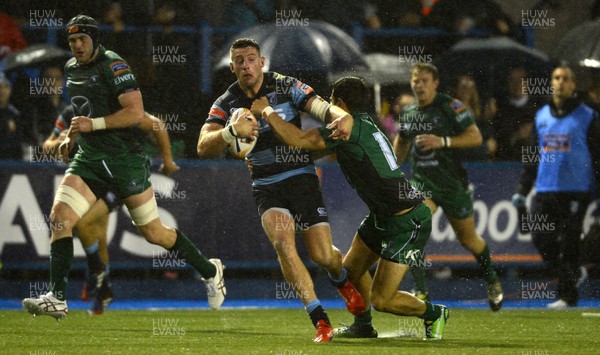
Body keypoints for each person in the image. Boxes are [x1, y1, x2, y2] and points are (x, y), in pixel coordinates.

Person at [22, 14, 225, 320]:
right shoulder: (71, 69)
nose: (77, 45)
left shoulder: (113, 65)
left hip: (125, 161)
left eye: (82, 39)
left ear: (94, 39)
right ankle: (58, 298)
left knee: (154, 233)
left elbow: (136, 113)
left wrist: (97, 125)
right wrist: (70, 137)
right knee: (60, 217)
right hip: (89, 159)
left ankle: (210, 270)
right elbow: (82, 113)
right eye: (72, 41)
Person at [255, 76, 450, 340]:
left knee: (383, 299)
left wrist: (266, 110)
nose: (328, 109)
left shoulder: (347, 129)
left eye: (331, 102)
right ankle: (364, 325)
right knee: (350, 272)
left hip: (407, 221)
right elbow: (307, 150)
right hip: (383, 216)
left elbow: (299, 140)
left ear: (341, 104)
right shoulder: (364, 123)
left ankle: (434, 313)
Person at [197, 38, 360, 342]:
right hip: (266, 184)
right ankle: (320, 320)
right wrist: (230, 131)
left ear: (262, 62)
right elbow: (202, 145)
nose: (245, 65)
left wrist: (343, 117)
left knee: (324, 256)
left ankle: (341, 280)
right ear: (232, 67)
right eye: (239, 61)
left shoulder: (286, 85)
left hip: (300, 177)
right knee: (283, 243)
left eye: (250, 59)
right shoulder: (226, 102)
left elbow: (323, 109)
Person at [42, 106, 180, 315]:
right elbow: (47, 145)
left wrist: (167, 160)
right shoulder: (71, 113)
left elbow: (156, 124)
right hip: (90, 178)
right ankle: (104, 290)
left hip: (118, 178)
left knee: (83, 223)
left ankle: (96, 268)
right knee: (98, 236)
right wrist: (60, 141)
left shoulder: (115, 106)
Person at [393, 62, 503, 311]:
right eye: (415, 81)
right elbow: (400, 146)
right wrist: (391, 160)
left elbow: (475, 137)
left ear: (435, 83)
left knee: (469, 240)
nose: (419, 85)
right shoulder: (409, 113)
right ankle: (420, 290)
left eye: (424, 80)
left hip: (452, 185)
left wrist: (442, 141)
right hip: (422, 184)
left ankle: (492, 281)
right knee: (414, 228)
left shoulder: (451, 107)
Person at [511, 66, 600, 309]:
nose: (561, 82)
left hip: (575, 190)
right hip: (545, 188)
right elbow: (532, 158)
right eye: (557, 78)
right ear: (551, 83)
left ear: (573, 85)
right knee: (541, 237)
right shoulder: (542, 117)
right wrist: (522, 188)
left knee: (569, 241)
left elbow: (597, 156)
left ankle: (567, 295)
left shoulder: (587, 116)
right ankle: (570, 276)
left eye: (566, 79)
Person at [491, 67, 539, 161]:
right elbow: (496, 144)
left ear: (527, 83)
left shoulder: (538, 108)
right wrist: (516, 136)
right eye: (513, 80)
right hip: (508, 164)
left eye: (521, 80)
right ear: (508, 84)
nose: (517, 84)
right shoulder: (500, 110)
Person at [448, 73, 496, 160]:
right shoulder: (452, 108)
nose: (466, 88)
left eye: (469, 84)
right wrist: (485, 148)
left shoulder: (476, 110)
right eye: (462, 84)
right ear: (455, 88)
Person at [0, 73, 22, 160]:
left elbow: (18, 143)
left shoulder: (15, 115)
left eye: (5, 87)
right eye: (0, 87)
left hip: (9, 163)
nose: (2, 91)